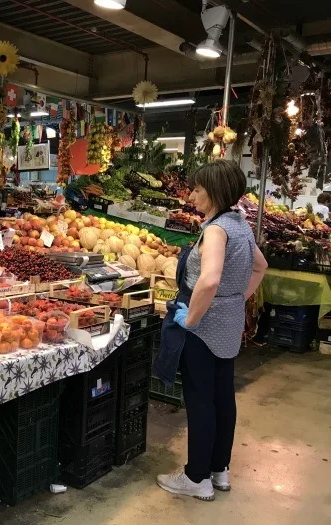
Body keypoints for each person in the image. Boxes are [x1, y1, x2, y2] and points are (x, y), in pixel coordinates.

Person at [154, 160, 267, 501]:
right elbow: (261, 266)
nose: (192, 195)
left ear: (215, 192)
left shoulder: (217, 230)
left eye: (198, 189)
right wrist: (236, 299)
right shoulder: (240, 225)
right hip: (228, 326)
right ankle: (219, 470)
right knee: (222, 398)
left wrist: (191, 320)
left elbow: (211, 277)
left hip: (202, 329)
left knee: (200, 400)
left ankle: (196, 478)